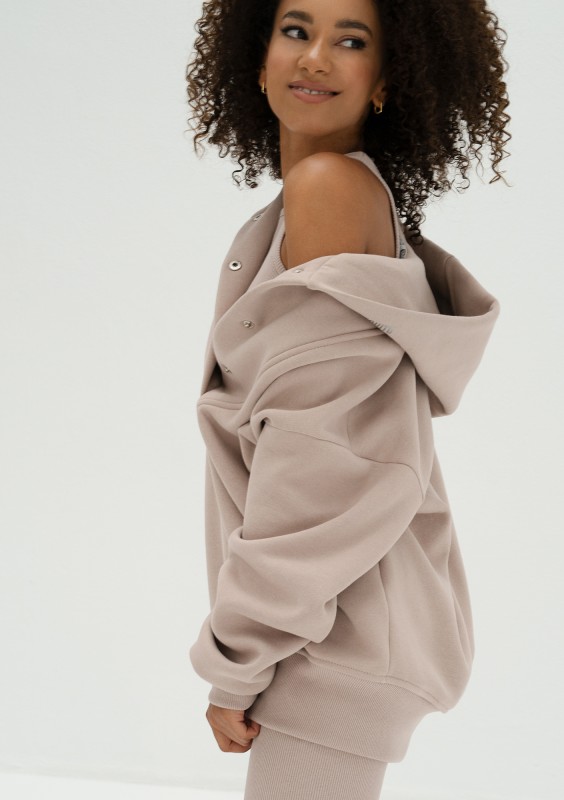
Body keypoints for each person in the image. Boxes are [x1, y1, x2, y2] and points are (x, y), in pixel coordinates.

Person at [185, 0, 510, 797]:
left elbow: (319, 467)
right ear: (257, 58)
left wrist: (238, 658)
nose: (316, 57)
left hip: (329, 642)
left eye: (352, 40)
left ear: (387, 81)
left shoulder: (328, 189)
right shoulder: (316, 201)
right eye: (296, 31)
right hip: (337, 631)